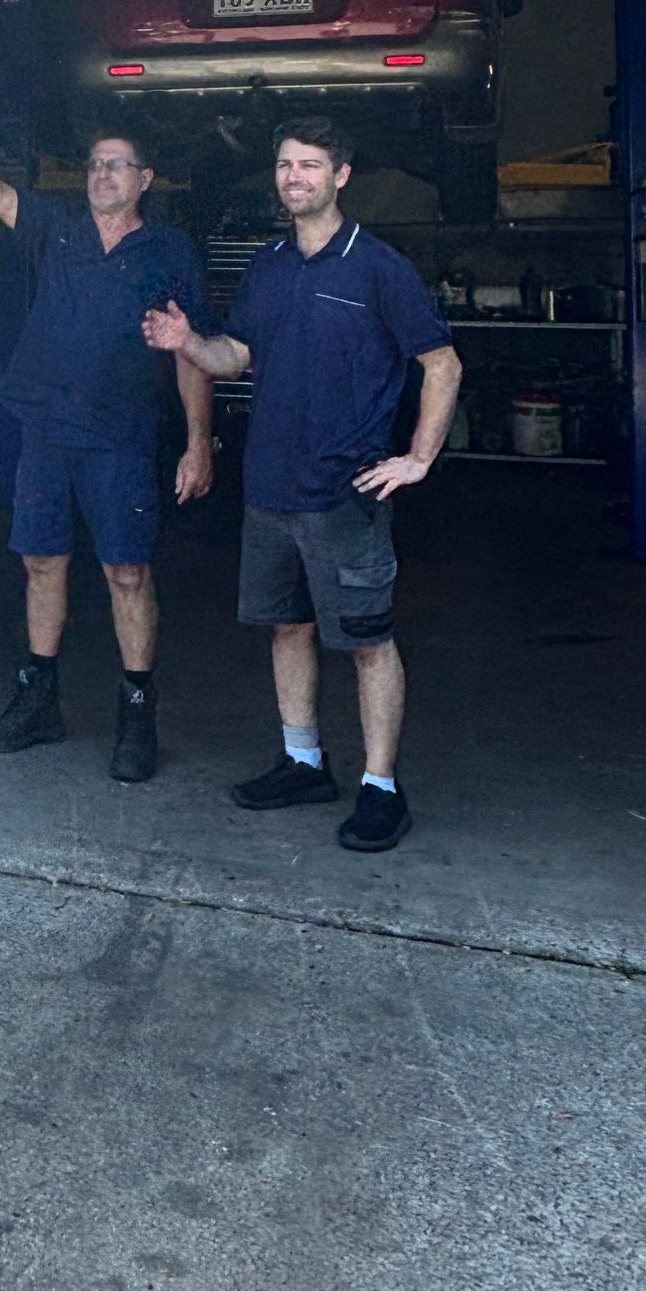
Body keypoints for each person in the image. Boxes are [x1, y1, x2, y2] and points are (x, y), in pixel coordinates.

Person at [144, 113, 461, 853]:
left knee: (367, 641)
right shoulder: (269, 266)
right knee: (287, 626)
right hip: (270, 490)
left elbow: (441, 364)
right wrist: (186, 341)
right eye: (285, 165)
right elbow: (235, 356)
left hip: (344, 493)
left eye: (310, 166)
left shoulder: (378, 266)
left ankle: (381, 787)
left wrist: (418, 458)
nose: (294, 178)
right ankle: (304, 762)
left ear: (341, 176)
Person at [0, 69, 214, 782]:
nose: (102, 175)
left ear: (145, 179)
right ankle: (38, 701)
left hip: (121, 433)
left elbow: (191, 353)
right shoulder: (56, 228)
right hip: (46, 429)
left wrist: (197, 440)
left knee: (127, 571)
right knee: (40, 561)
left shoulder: (170, 253)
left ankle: (137, 713)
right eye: (94, 165)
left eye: (117, 165)